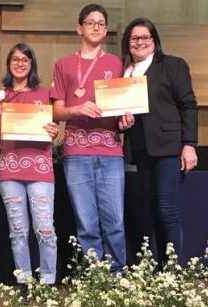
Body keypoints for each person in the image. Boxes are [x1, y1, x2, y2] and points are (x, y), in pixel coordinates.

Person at [51, 3, 134, 273]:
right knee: (86, 222)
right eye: (90, 22)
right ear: (79, 28)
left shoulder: (117, 64)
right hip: (76, 151)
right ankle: (94, 278)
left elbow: (125, 107)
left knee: (114, 220)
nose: (96, 26)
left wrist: (126, 119)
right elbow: (55, 109)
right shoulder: (63, 64)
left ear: (106, 29)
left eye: (101, 23)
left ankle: (117, 275)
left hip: (110, 150)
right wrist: (76, 108)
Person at [121, 17, 198, 266]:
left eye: (145, 37)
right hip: (140, 150)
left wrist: (189, 144)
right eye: (134, 38)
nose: (139, 42)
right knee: (149, 212)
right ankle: (154, 269)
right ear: (128, 43)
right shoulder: (125, 72)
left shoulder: (173, 65)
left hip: (168, 148)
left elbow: (188, 105)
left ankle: (172, 270)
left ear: (154, 41)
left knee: (167, 210)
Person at [0, 43, 59, 301]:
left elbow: (54, 130)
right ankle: (24, 282)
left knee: (45, 229)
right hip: (9, 171)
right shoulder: (1, 96)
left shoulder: (45, 93)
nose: (20, 63)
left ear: (32, 64)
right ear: (9, 64)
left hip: (40, 170)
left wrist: (54, 131)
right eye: (15, 59)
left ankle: (48, 282)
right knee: (18, 230)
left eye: (25, 59)